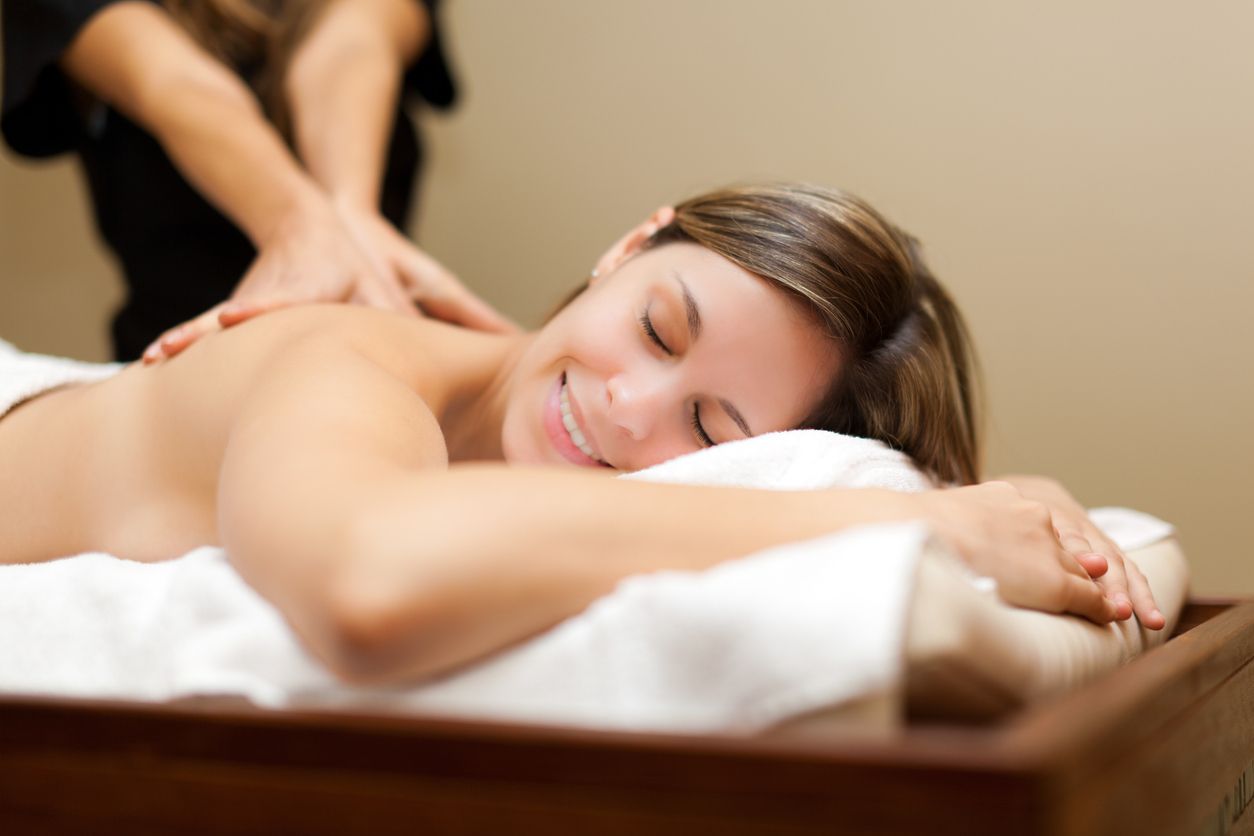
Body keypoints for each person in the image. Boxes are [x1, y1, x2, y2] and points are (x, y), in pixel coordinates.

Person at [0, 183, 1164, 686]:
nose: (622, 406)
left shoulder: (492, 409)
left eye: (710, 427)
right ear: (629, 244)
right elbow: (369, 582)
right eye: (657, 326)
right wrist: (916, 527)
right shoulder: (343, 360)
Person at [1, 0, 513, 362]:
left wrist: (346, 224)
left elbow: (348, 50)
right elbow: (177, 87)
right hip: (181, 364)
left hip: (367, 344)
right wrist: (300, 228)